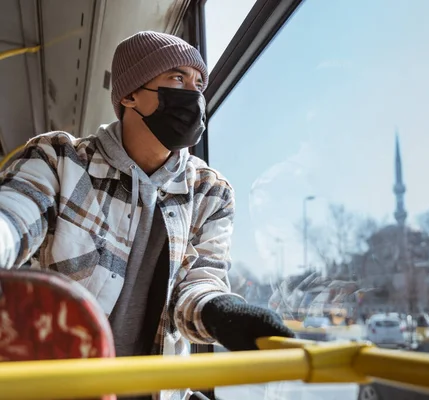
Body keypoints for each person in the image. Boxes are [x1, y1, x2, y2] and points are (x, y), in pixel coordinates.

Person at [0, 31, 294, 399]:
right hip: (62, 388)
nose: (194, 93)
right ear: (129, 95)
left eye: (198, 83)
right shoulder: (60, 161)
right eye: (176, 78)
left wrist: (224, 313)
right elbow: (13, 215)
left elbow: (197, 284)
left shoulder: (210, 192)